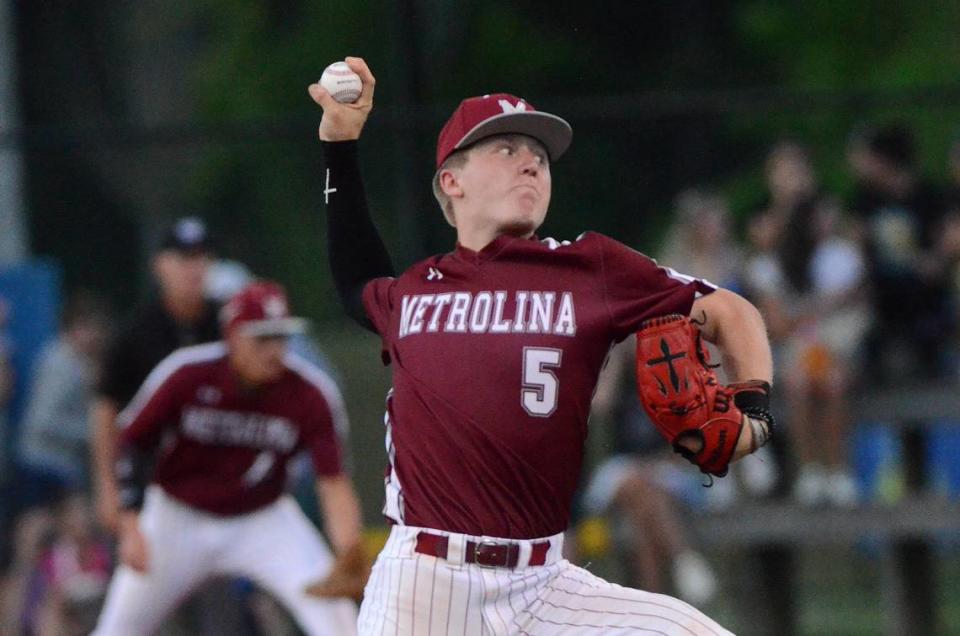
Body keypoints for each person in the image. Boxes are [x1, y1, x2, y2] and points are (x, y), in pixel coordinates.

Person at [309, 57, 774, 635]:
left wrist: (753, 408)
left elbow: (731, 311)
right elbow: (355, 278)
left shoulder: (590, 269)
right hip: (424, 587)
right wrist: (339, 147)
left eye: (540, 156)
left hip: (545, 585)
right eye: (505, 149)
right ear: (451, 181)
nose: (530, 160)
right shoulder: (413, 292)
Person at [92, 281, 363, 635]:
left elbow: (333, 482)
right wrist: (130, 524)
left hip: (263, 517)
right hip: (177, 516)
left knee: (339, 620)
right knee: (116, 629)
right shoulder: (187, 373)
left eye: (280, 337)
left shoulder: (310, 394)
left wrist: (348, 549)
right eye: (261, 338)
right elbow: (133, 441)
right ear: (233, 337)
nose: (274, 351)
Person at [91, 216, 221, 533]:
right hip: (152, 480)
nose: (194, 268)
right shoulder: (136, 332)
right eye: (184, 259)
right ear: (160, 265)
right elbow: (105, 410)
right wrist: (107, 486)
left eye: (201, 258)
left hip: (218, 477)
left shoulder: (228, 324)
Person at [17, 292, 109, 504]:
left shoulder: (82, 361)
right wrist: (91, 433)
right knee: (37, 525)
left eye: (97, 328)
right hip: (42, 462)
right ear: (73, 328)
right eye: (87, 327)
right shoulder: (60, 363)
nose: (94, 335)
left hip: (64, 464)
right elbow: (42, 421)